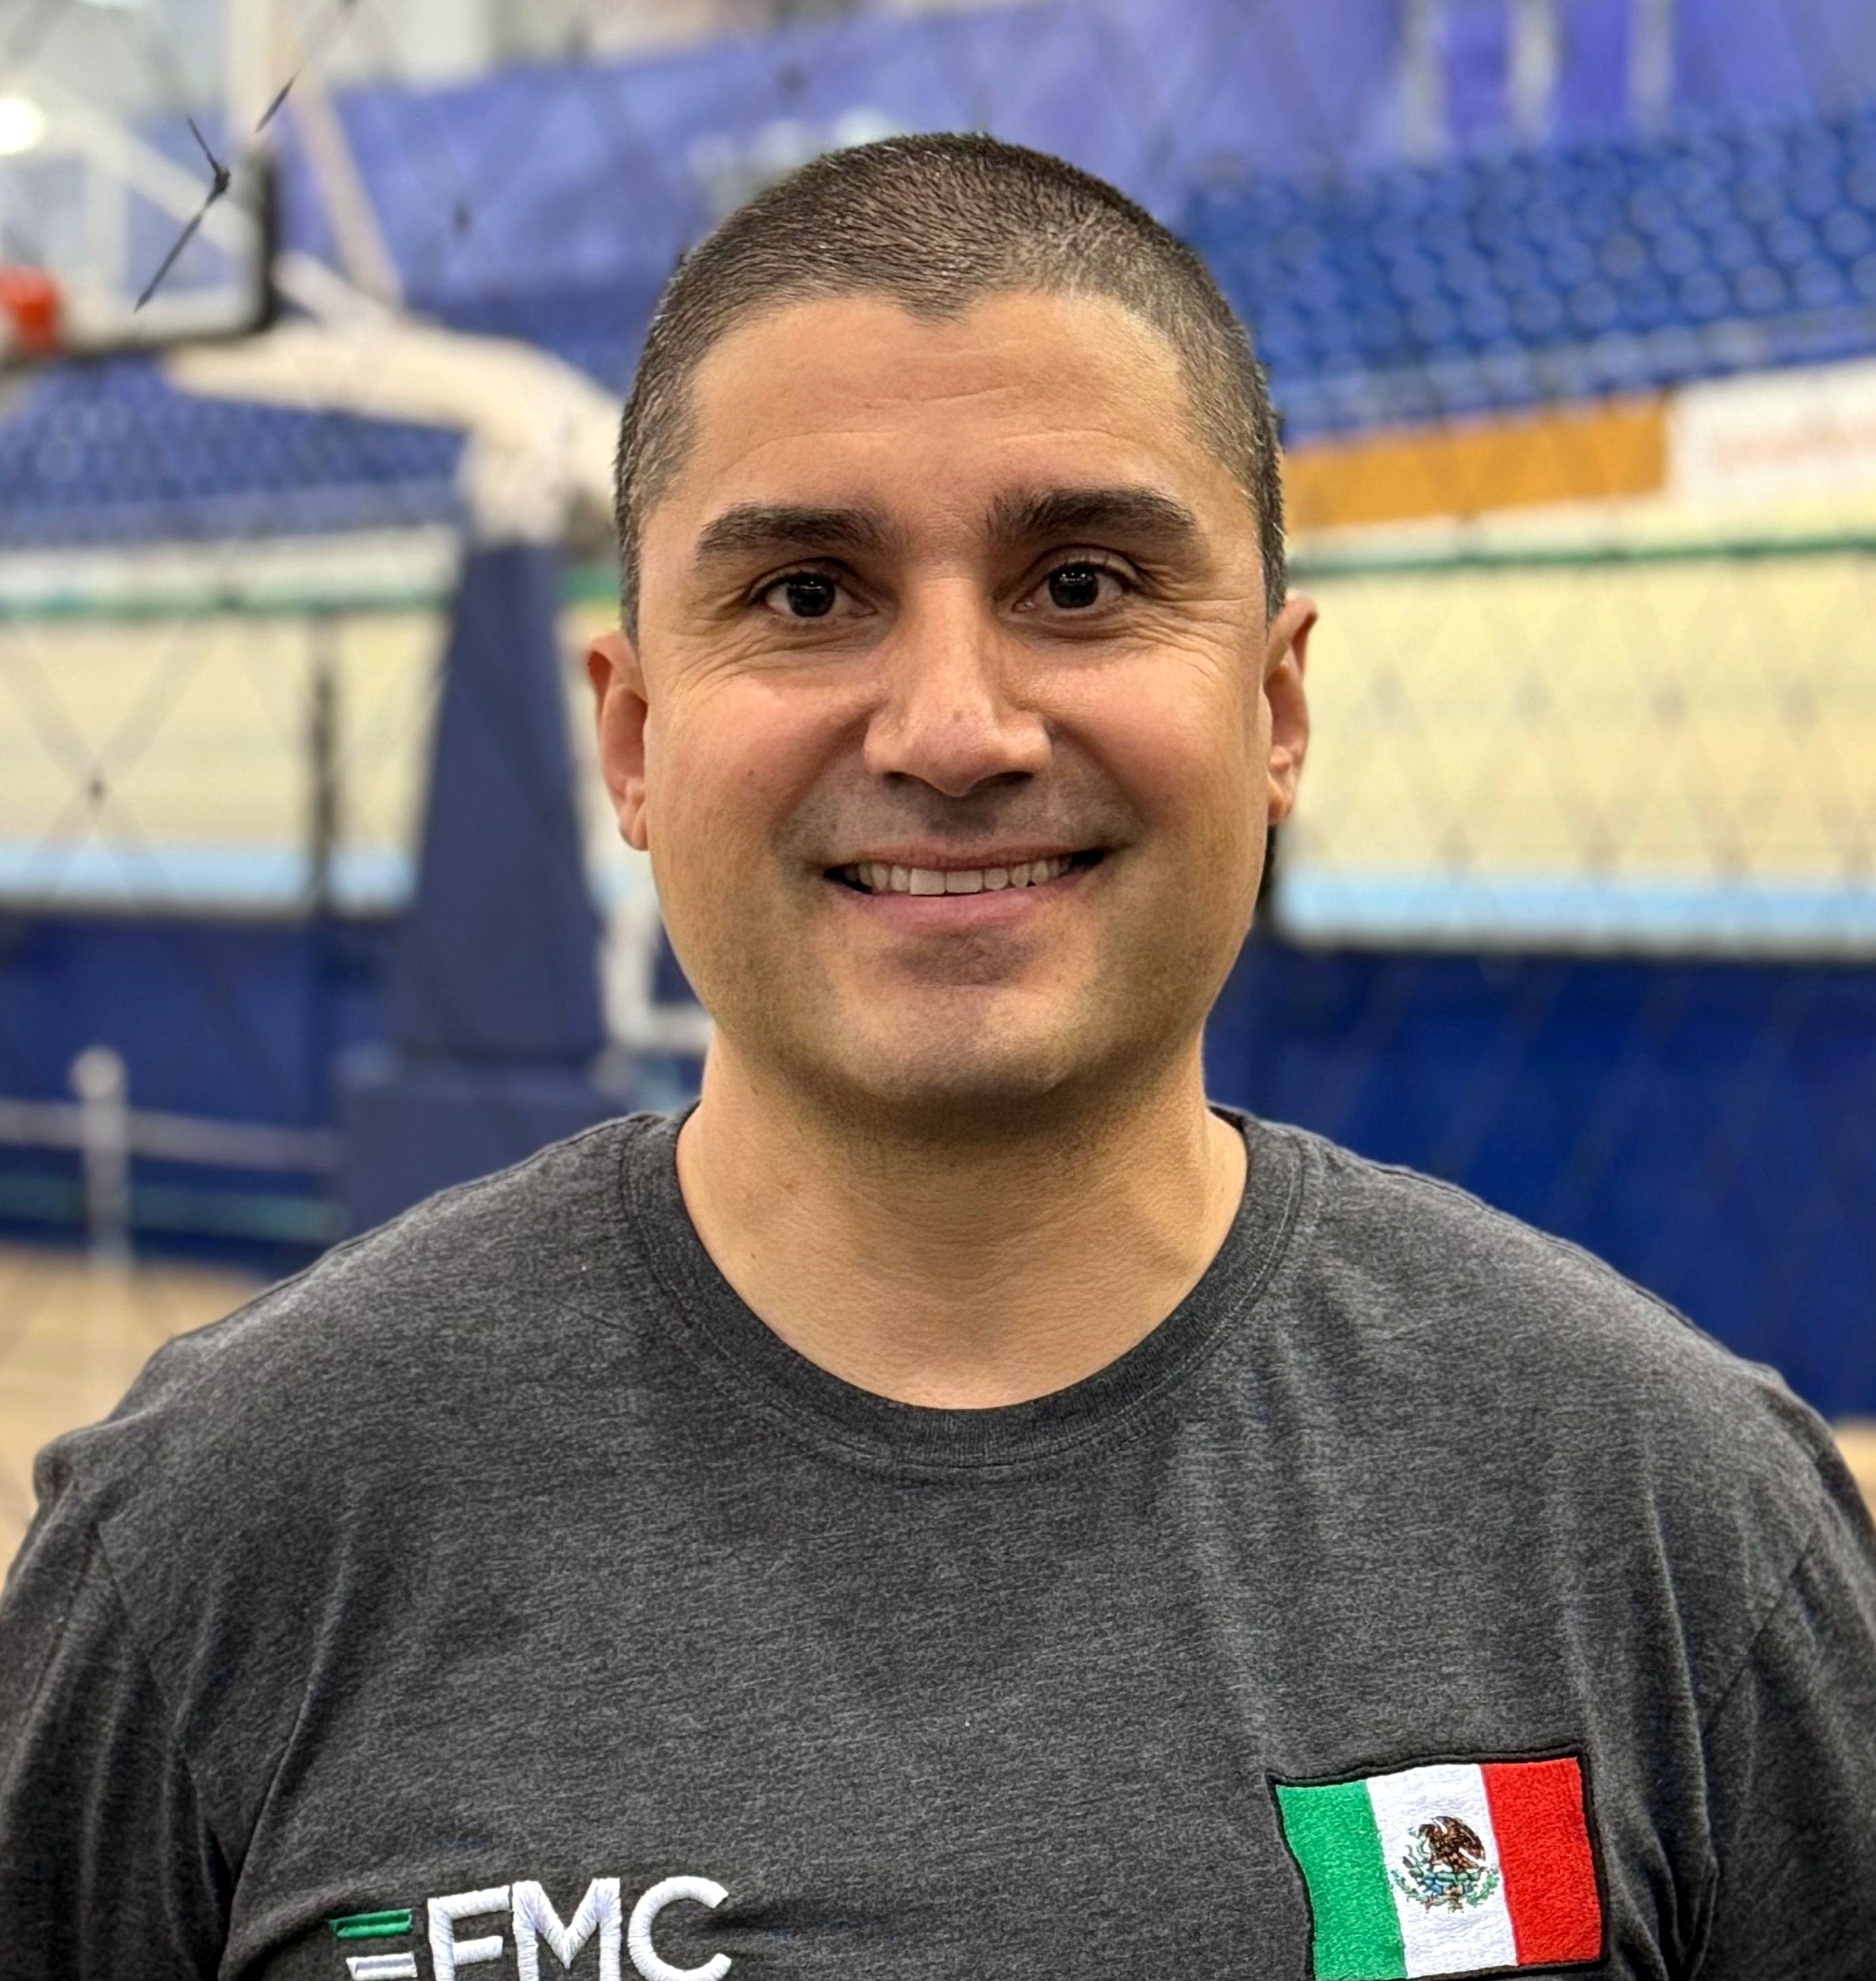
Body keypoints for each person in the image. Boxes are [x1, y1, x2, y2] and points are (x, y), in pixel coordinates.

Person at [3, 131, 1873, 1981]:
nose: (956, 731)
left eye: (1082, 583)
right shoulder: (215, 1536)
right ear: (633, 739)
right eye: (809, 595)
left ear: (1276, 708)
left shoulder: (1677, 1524)